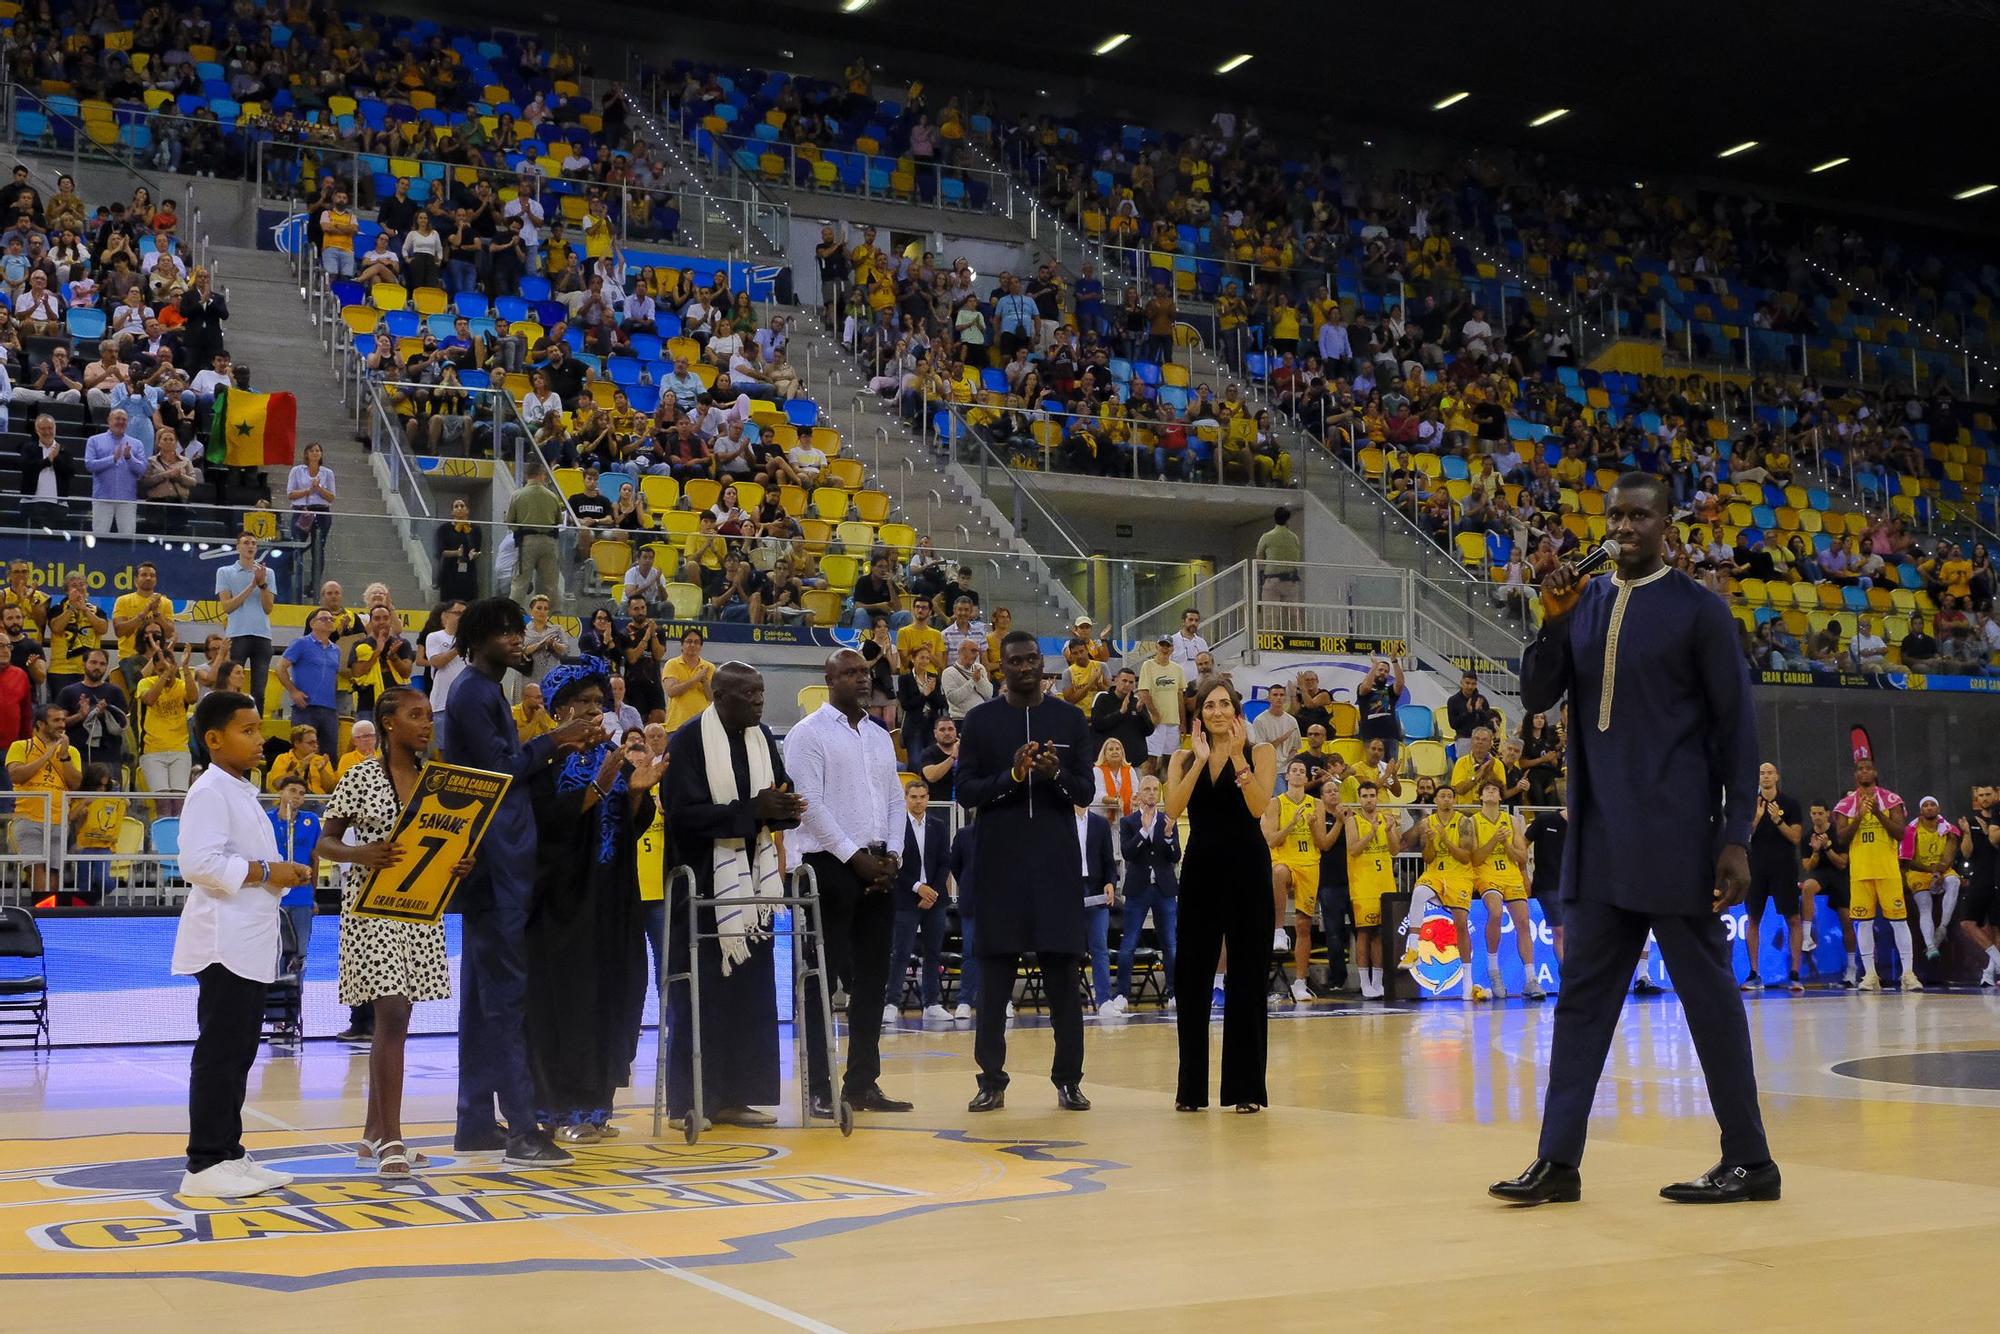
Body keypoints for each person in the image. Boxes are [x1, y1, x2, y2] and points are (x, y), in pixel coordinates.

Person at [1492, 473, 1774, 1208]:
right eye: (1615, 514)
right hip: (1598, 841)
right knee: (1580, 1004)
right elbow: (1534, 696)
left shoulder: (1701, 612)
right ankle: (1558, 1161)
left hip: (1679, 840)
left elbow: (1738, 735)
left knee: (1708, 999)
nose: (1624, 525)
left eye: (1639, 515)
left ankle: (1750, 1160)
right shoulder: (1583, 607)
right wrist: (1553, 621)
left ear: (1667, 525)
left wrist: (1735, 836)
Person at [443, 598, 600, 1165]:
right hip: (492, 864)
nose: (517, 641)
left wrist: (559, 749)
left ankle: (475, 1122)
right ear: (479, 637)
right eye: (506, 633)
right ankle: (523, 1130)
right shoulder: (471, 693)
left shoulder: (484, 692)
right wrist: (556, 741)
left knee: (485, 1000)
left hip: (501, 861)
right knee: (505, 1001)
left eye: (518, 633)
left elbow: (514, 768)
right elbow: (497, 774)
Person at [171, 689, 313, 1196]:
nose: (259, 740)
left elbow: (246, 865)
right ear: (213, 739)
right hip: (222, 941)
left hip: (250, 940)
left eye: (259, 730)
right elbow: (198, 864)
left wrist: (279, 874)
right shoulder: (209, 790)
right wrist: (266, 870)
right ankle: (204, 1163)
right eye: (246, 731)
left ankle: (229, 1151)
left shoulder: (240, 790)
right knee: (221, 1053)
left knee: (240, 1051)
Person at [957, 628, 1098, 1113]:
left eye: (1032, 659)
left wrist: (1053, 773)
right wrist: (1014, 776)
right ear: (1002, 666)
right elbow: (966, 792)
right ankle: (991, 1080)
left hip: (1056, 868)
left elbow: (1084, 791)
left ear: (1043, 663)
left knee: (1064, 980)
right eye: (1015, 660)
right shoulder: (978, 721)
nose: (1024, 667)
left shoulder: (1071, 718)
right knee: (994, 986)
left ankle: (1068, 1080)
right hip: (1000, 866)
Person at [526, 660, 664, 1143]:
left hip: (614, 899)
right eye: (582, 703)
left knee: (617, 996)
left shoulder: (615, 755)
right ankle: (557, 1107)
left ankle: (597, 1108)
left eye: (598, 703)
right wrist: (604, 783)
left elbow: (624, 827)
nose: (592, 711)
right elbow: (549, 826)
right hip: (562, 906)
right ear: (559, 708)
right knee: (567, 1003)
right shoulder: (541, 761)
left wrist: (636, 795)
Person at [663, 661, 804, 1129]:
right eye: (750, 693)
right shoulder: (687, 741)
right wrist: (753, 809)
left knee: (750, 995)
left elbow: (774, 798)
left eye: (761, 692)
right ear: (721, 696)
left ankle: (737, 1096)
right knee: (700, 997)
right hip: (701, 884)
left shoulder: (762, 738)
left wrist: (786, 811)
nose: (760, 701)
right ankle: (692, 1101)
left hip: (753, 888)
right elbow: (683, 814)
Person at [786, 648, 914, 1117]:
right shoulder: (807, 734)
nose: (861, 679)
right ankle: (819, 1087)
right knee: (821, 980)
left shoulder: (880, 736)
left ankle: (862, 1083)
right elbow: (809, 805)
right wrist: (853, 857)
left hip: (878, 867)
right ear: (829, 678)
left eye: (865, 672)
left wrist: (893, 856)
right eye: (850, 673)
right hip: (827, 867)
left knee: (872, 982)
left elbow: (896, 800)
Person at [1164, 675, 1276, 1110]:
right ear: (1198, 715)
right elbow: (1172, 810)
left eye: (1223, 704)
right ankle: (1191, 1091)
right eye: (1208, 706)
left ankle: (1246, 1090)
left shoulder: (1260, 751)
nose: (1216, 712)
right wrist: (1200, 760)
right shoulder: (1181, 756)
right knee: (1192, 977)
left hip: (1248, 867)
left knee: (1247, 976)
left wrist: (1235, 760)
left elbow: (1257, 807)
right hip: (1201, 868)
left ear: (1236, 710)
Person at [1833, 747, 1916, 993]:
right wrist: (1859, 817)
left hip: (1888, 870)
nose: (1864, 771)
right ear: (1855, 775)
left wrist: (1877, 813)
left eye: (1868, 767)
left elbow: (1901, 833)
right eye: (1860, 769)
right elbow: (1840, 839)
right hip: (1860, 872)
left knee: (1899, 922)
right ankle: (1870, 975)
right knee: (1864, 923)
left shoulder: (1891, 800)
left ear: (1875, 772)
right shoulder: (1846, 804)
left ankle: (1908, 974)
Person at [1398, 785, 1477, 998]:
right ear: (1436, 800)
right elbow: (1427, 858)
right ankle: (1413, 949)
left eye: (1450, 796)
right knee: (1419, 893)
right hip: (1435, 872)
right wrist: (1432, 842)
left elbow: (1465, 857)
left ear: (1454, 800)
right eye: (1442, 796)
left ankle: (1467, 981)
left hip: (1458, 874)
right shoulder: (1426, 824)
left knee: (1460, 925)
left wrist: (1445, 839)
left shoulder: (1464, 822)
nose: (1446, 799)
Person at [887, 775, 954, 1023]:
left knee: (933, 952)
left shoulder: (938, 825)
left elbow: (944, 861)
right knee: (900, 952)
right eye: (913, 797)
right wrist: (918, 887)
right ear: (905, 799)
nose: (918, 801)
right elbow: (895, 864)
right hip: (906, 897)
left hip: (935, 898)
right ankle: (892, 1002)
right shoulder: (896, 828)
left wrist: (932, 890)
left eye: (922, 797)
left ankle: (932, 1003)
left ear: (928, 798)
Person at [1263, 757, 1331, 1001]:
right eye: (1295, 770)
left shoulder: (1317, 804)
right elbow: (1270, 840)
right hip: (1285, 859)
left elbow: (1322, 844)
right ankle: (1279, 930)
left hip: (1310, 864)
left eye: (1303, 771)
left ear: (1306, 778)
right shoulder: (1275, 803)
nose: (1299, 774)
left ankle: (1300, 982)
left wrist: (1313, 827)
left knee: (1304, 925)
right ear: (1287, 776)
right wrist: (1291, 824)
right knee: (1278, 872)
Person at [1470, 779, 1540, 1000]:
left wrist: (1506, 845)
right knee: (1496, 913)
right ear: (1481, 796)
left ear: (1501, 797)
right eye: (1487, 789)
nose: (1491, 792)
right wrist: (1493, 841)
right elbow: (1475, 858)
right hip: (1486, 874)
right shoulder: (1471, 822)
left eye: (1495, 790)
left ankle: (1531, 978)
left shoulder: (1511, 821)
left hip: (1510, 875)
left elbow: (1522, 856)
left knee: (1523, 922)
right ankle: (1494, 970)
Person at [1116, 773, 1180, 1009]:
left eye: (1155, 789)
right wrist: (1143, 832)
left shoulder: (1167, 820)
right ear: (1139, 793)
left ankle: (1174, 992)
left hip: (1164, 889)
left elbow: (1175, 856)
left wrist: (1167, 837)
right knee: (1129, 942)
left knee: (1170, 943)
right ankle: (1122, 994)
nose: (1152, 793)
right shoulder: (1129, 822)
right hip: (1138, 888)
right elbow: (1127, 853)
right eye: (1147, 789)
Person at [1741, 763, 1806, 993]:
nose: (1766, 776)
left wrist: (1778, 821)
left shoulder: (1790, 804)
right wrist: (1757, 818)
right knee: (1753, 919)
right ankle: (1754, 973)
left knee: (1794, 919)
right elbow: (1742, 836)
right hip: (1756, 867)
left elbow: (1796, 837)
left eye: (1770, 772)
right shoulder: (1750, 804)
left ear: (1777, 776)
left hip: (1784, 868)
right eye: (1761, 773)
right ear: (1757, 778)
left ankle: (1795, 974)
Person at [7, 704, 80, 904]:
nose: (62, 724)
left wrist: (63, 756)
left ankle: (49, 912)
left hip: (58, 819)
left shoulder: (71, 751)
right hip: (28, 817)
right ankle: (40, 912)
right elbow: (16, 775)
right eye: (56, 720)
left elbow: (75, 784)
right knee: (37, 867)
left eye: (63, 720)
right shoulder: (21, 746)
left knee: (54, 869)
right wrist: (48, 755)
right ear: (40, 724)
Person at [1341, 779, 1399, 999]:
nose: (1368, 800)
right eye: (1364, 796)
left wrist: (1391, 831)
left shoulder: (1386, 819)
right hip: (1362, 884)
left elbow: (1394, 851)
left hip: (1384, 883)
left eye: (1372, 795)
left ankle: (1378, 982)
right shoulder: (1352, 821)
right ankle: (1364, 982)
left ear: (1377, 797)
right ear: (1359, 799)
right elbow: (1354, 849)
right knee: (1364, 932)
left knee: (1380, 933)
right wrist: (1371, 833)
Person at [214, 533, 276, 712]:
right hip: (237, 635)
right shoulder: (225, 572)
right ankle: (231, 720)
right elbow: (227, 606)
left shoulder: (268, 573)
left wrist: (262, 584)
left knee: (259, 690)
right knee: (232, 686)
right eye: (246, 543)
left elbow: (268, 608)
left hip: (262, 635)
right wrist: (252, 586)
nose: (250, 546)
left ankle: (256, 726)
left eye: (254, 543)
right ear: (238, 547)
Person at [1902, 796, 1961, 979]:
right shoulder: (1911, 830)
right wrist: (1931, 872)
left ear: (1938, 807)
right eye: (1925, 805)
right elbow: (1907, 860)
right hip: (1920, 871)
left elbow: (1951, 851)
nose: (1929, 808)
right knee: (1924, 903)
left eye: (1932, 804)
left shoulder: (1948, 829)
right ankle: (1931, 946)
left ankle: (1942, 928)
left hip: (1941, 869)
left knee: (1954, 881)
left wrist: (1939, 871)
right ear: (1921, 810)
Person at [1801, 800, 1856, 987]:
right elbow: (1808, 866)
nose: (1816, 817)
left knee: (1846, 920)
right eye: (1813, 814)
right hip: (1821, 875)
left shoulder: (1837, 833)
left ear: (1827, 814)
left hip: (1840, 877)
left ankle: (1851, 968)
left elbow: (1842, 863)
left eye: (1820, 813)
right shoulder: (1807, 836)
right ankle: (1807, 937)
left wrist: (1827, 848)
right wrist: (1816, 852)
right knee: (1807, 886)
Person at [276, 608, 342, 757]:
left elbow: (334, 677)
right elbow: (280, 667)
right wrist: (293, 692)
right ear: (312, 623)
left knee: (329, 754)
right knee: (302, 753)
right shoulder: (301, 643)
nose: (329, 621)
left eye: (332, 619)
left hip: (329, 709)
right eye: (324, 619)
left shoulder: (335, 650)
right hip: (305, 708)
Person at [1137, 636, 1186, 775]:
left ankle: (1169, 791)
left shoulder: (1178, 669)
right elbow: (1143, 692)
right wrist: (1155, 714)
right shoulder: (1148, 665)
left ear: (1172, 649)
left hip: (1173, 721)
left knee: (1171, 760)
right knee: (1150, 759)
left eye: (1168, 646)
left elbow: (1180, 696)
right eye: (1162, 645)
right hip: (1155, 723)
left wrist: (1182, 722)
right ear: (1156, 647)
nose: (1165, 648)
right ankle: (1146, 791)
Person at [662, 628, 714, 732]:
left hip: (702, 725)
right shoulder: (672, 664)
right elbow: (671, 692)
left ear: (701, 646)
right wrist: (696, 679)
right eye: (689, 641)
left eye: (696, 642)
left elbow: (712, 698)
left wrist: (704, 681)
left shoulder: (709, 667)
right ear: (682, 645)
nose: (692, 645)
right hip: (677, 724)